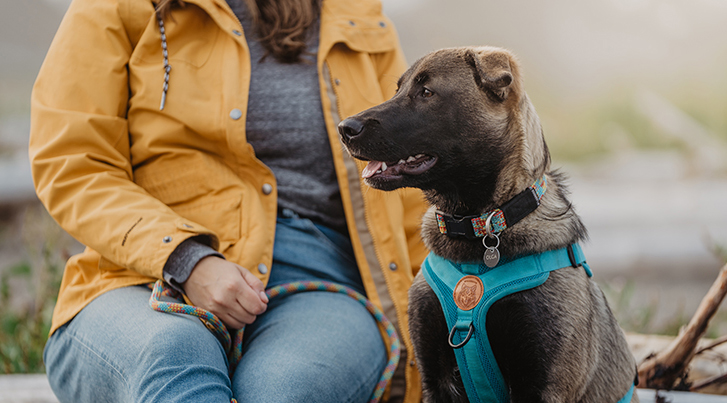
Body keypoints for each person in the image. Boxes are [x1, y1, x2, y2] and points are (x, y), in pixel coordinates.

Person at [29, 0, 428, 401]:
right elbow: (75, 164)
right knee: (175, 353)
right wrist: (186, 259)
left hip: (319, 284)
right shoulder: (116, 8)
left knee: (286, 390)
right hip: (137, 279)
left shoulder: (355, 13)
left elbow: (412, 187)